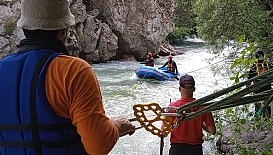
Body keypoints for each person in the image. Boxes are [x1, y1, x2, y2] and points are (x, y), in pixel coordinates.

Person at [0, 0, 135, 154]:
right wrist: (116, 126)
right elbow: (98, 145)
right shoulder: (74, 71)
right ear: (63, 30)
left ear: (24, 28)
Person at [167, 74, 216, 155]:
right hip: (195, 149)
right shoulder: (203, 108)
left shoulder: (172, 107)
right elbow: (212, 131)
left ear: (179, 89)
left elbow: (164, 130)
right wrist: (201, 123)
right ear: (194, 89)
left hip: (177, 149)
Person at [248, 50, 273, 117]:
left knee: (258, 103)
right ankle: (268, 117)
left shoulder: (254, 66)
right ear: (263, 56)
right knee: (267, 103)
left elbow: (249, 78)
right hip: (267, 86)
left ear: (256, 57)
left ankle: (257, 117)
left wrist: (248, 87)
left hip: (257, 88)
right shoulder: (267, 64)